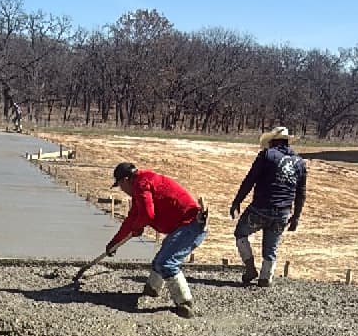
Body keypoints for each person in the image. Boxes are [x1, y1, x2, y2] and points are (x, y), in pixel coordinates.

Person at [104, 162, 207, 318]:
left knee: (167, 263)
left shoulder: (141, 184)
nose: (122, 190)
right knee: (160, 259)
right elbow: (132, 219)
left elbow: (147, 215)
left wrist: (139, 227)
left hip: (191, 224)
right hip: (183, 226)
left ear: (125, 180)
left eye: (120, 185)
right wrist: (114, 243)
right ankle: (151, 290)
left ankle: (185, 303)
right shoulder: (142, 184)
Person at [229, 126, 307, 287]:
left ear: (272, 141)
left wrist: (237, 201)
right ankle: (266, 278)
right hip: (283, 212)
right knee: (271, 246)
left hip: (261, 208)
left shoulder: (266, 155)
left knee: (241, 233)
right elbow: (301, 193)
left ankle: (250, 269)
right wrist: (296, 217)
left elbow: (250, 180)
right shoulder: (300, 162)